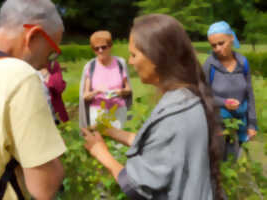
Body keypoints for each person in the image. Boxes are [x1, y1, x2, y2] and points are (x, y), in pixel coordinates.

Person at [82, 14, 224, 200]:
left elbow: (136, 187)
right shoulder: (187, 97)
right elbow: (162, 146)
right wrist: (113, 133)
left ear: (157, 57)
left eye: (134, 55)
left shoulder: (174, 115)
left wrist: (102, 154)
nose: (130, 62)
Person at [0, 0, 67, 199]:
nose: (46, 64)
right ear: (33, 35)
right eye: (50, 52)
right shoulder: (19, 75)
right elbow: (43, 188)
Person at [203, 21, 257, 160]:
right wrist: (223, 102)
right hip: (219, 124)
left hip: (241, 123)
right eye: (213, 45)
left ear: (231, 38)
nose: (218, 49)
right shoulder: (210, 65)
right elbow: (203, 95)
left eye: (221, 43)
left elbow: (249, 94)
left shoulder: (243, 63)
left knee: (238, 162)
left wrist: (252, 124)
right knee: (223, 163)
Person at [79, 30, 132, 129]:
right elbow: (85, 96)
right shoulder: (90, 66)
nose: (100, 50)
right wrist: (97, 91)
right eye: (96, 48)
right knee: (101, 140)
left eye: (103, 47)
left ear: (110, 46)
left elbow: (128, 90)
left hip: (118, 110)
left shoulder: (120, 63)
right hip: (98, 112)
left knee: (119, 143)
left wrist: (120, 92)